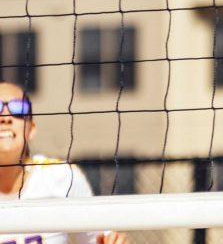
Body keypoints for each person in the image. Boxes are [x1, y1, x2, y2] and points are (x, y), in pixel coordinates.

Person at [0, 82, 128, 244]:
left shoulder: (62, 176)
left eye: (19, 108)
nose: (5, 117)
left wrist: (112, 241)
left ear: (31, 129)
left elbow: (97, 239)